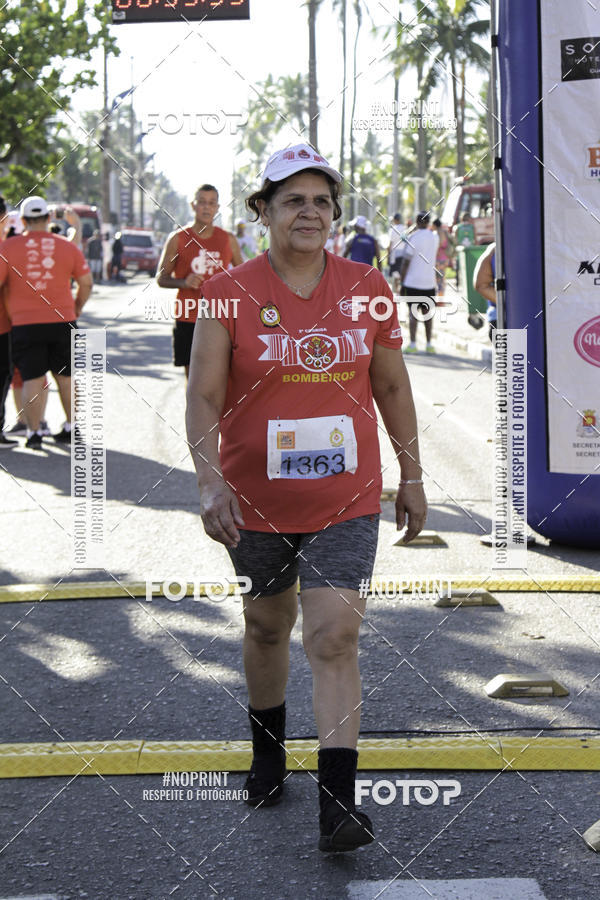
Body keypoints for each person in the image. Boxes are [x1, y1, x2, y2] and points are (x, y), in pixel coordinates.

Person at [185, 143, 427, 853]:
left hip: (345, 498)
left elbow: (391, 385)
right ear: (263, 211)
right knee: (267, 627)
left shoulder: (367, 286)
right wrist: (209, 480)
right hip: (254, 501)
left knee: (334, 636)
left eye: (322, 201)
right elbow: (202, 396)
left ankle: (338, 806)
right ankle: (268, 753)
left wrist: (412, 475)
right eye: (293, 200)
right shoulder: (227, 291)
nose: (310, 212)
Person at [0, 196, 92, 450]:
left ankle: (33, 433)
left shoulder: (8, 248)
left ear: (24, 220)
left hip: (25, 324)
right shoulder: (66, 247)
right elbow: (86, 283)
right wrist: (77, 306)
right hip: (63, 319)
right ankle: (72, 427)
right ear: (49, 218)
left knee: (32, 378)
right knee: (66, 377)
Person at [156, 184, 243, 377]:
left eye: (212, 203)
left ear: (217, 208)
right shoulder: (178, 238)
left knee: (222, 377)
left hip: (221, 318)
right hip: (188, 317)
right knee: (193, 378)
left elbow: (242, 278)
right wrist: (183, 282)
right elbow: (161, 278)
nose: (206, 207)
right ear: (193, 205)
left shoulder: (228, 239)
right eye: (202, 202)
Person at [399, 211, 439, 353]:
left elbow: (406, 262)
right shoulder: (435, 237)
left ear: (416, 222)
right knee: (428, 314)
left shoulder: (413, 237)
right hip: (429, 282)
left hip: (412, 282)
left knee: (413, 314)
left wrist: (402, 282)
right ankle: (429, 344)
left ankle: (413, 344)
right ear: (428, 222)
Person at [473, 241, 497, 341]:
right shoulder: (495, 249)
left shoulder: (495, 249)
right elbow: (481, 285)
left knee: (513, 351)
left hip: (502, 318)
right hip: (504, 319)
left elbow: (481, 285)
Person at [432, 218, 455, 298]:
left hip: (438, 259)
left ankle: (440, 298)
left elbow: (440, 245)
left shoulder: (437, 233)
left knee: (438, 279)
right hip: (445, 258)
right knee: (441, 278)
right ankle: (441, 296)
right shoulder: (445, 232)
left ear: (435, 225)